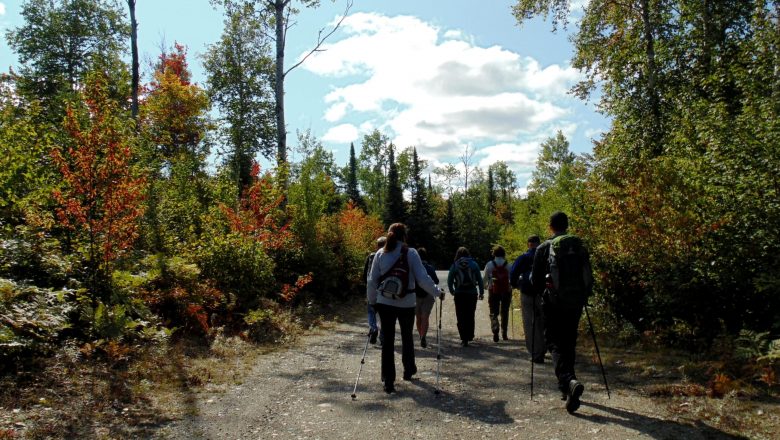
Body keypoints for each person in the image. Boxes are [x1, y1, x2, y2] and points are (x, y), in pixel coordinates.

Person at [367, 223, 442, 394]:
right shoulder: (411, 253)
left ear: (389, 234)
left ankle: (388, 380)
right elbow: (423, 278)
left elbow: (372, 281)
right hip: (407, 302)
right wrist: (437, 292)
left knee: (388, 342)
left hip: (384, 302)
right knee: (407, 337)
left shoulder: (380, 253)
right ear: (405, 236)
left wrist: (372, 301)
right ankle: (409, 370)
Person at [530, 211, 593, 414]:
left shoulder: (543, 248)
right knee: (569, 342)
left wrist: (541, 296)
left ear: (550, 227)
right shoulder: (579, 247)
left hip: (553, 304)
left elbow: (535, 281)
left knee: (555, 343)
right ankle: (567, 388)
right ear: (567, 225)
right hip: (575, 303)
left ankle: (568, 381)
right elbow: (588, 277)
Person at [510, 235, 545, 362]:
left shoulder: (524, 257)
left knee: (530, 323)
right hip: (544, 294)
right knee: (543, 322)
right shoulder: (545, 255)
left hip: (528, 294)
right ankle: (544, 348)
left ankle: (536, 353)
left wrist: (515, 285)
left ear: (528, 244)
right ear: (539, 243)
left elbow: (513, 273)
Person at [447, 247, 484, 347]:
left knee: (460, 315)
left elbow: (450, 279)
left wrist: (452, 291)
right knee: (470, 314)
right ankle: (470, 335)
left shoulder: (455, 265)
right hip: (472, 293)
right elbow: (480, 280)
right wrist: (481, 292)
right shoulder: (474, 264)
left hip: (459, 294)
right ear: (468, 254)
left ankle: (464, 338)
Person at [484, 245, 512, 343]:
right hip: (506, 290)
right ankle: (504, 333)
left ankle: (495, 329)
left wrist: (484, 287)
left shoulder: (490, 264)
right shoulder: (508, 264)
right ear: (504, 254)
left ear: (494, 254)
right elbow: (511, 278)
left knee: (493, 311)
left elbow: (485, 278)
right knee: (505, 311)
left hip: (493, 290)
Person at [362, 237, 386, 345]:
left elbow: (364, 274)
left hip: (371, 287)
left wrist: (366, 284)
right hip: (384, 289)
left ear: (377, 245)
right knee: (383, 313)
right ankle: (383, 335)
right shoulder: (388, 256)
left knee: (371, 310)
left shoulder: (371, 256)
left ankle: (373, 328)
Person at [415, 247, 439, 348]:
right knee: (425, 316)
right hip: (428, 294)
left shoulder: (414, 268)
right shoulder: (430, 267)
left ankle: (421, 335)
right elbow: (436, 281)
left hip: (415, 295)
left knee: (418, 317)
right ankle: (423, 336)